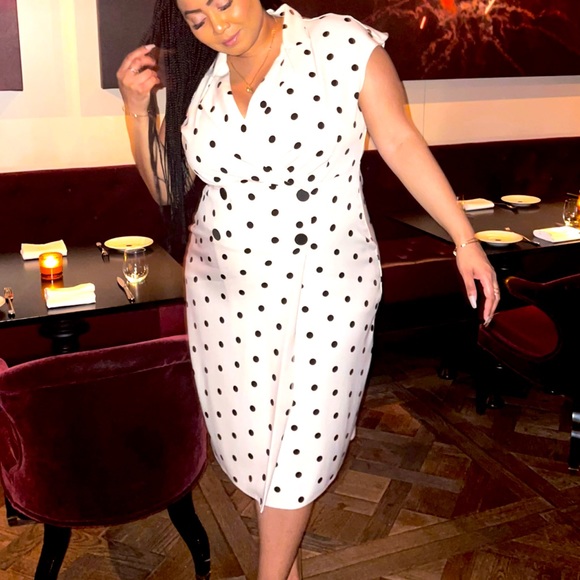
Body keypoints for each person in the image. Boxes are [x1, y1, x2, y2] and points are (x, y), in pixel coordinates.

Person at [117, 1, 500, 578]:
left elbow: (399, 141)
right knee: (258, 451)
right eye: (197, 18)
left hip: (327, 285)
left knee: (303, 447)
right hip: (226, 295)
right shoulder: (202, 79)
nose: (218, 26)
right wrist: (134, 108)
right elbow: (170, 189)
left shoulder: (338, 43)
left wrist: (463, 238)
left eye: (224, 4)